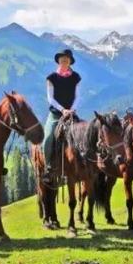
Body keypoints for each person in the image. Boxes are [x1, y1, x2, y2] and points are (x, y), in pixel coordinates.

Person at [42, 49, 81, 180]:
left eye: (67, 59)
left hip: (71, 114)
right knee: (48, 138)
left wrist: (72, 109)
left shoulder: (76, 77)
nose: (64, 61)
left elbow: (78, 96)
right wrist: (62, 109)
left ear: (70, 62)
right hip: (55, 115)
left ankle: (84, 164)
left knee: (85, 134)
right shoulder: (51, 78)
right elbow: (50, 98)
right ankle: (48, 167)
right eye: (62, 59)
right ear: (58, 61)